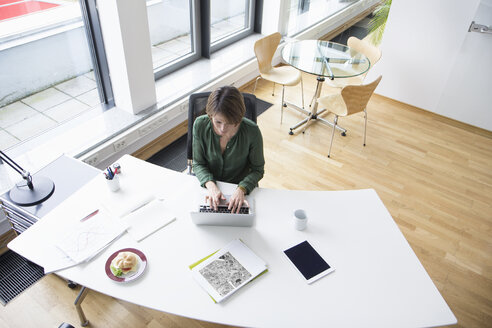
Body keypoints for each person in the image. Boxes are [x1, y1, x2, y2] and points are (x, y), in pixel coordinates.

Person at [192, 86, 265, 213]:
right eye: (218, 122)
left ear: (238, 118)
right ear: (210, 116)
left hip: (239, 190)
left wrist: (242, 189)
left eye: (230, 123)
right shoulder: (200, 125)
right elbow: (198, 163)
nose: (222, 129)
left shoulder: (252, 132)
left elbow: (257, 169)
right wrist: (211, 186)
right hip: (210, 188)